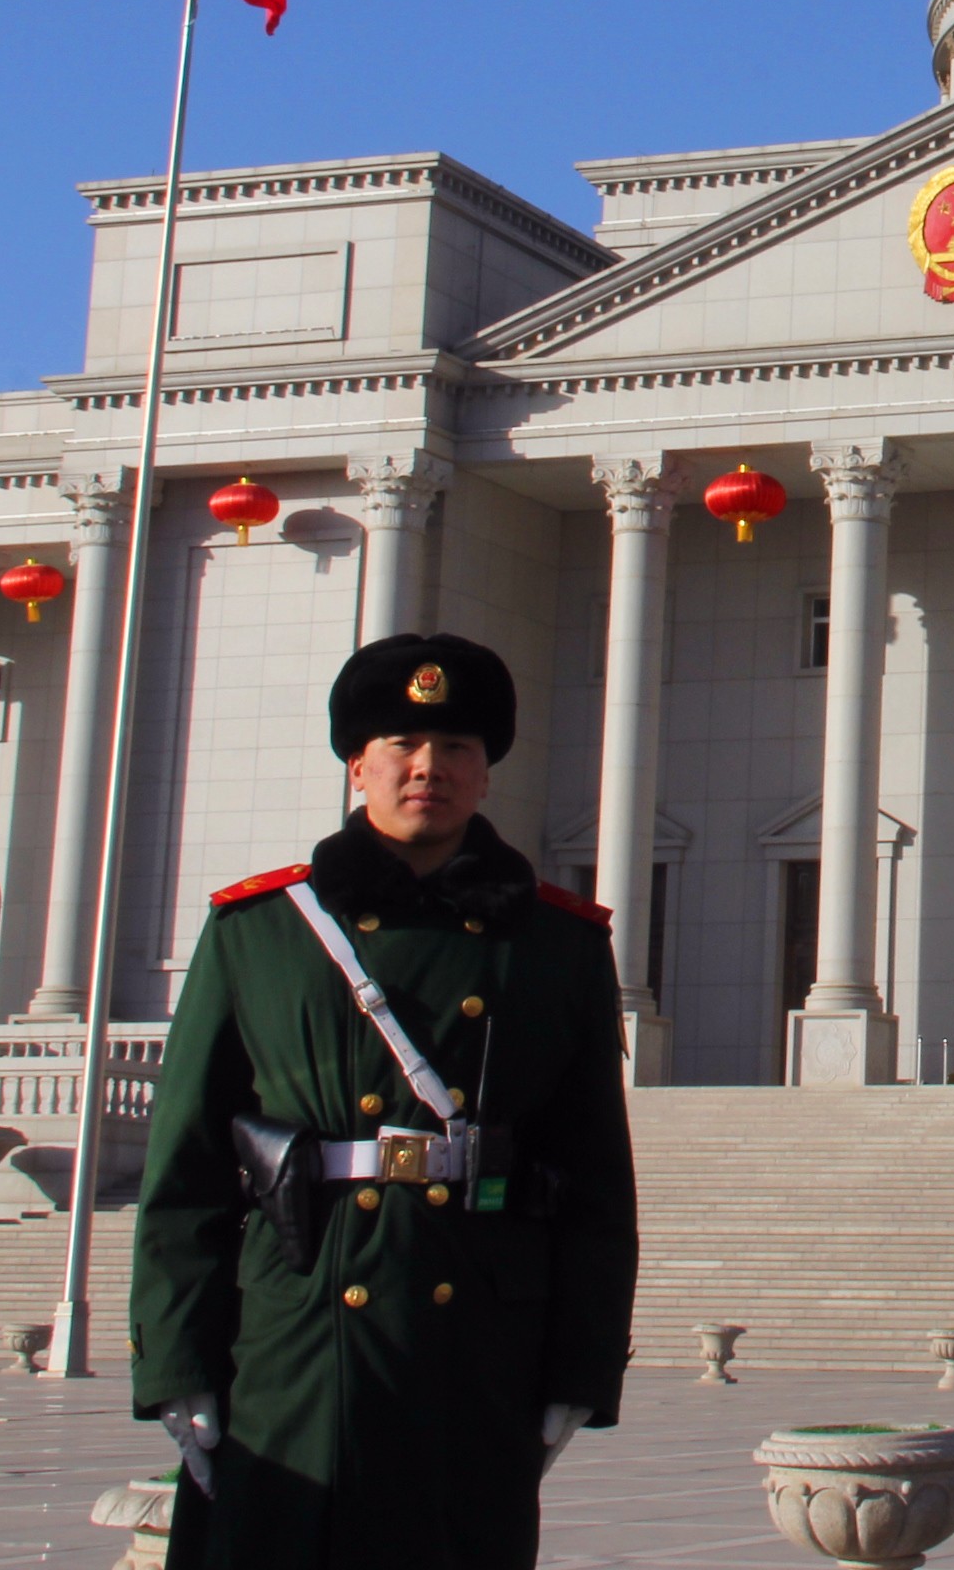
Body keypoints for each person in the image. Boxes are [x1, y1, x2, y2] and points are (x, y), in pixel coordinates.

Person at [130, 631, 638, 1570]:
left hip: (474, 1337)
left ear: (485, 772)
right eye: (402, 744)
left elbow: (595, 1180)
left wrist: (582, 1364)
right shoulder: (264, 931)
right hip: (294, 1329)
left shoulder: (557, 945)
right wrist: (177, 1359)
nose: (428, 768)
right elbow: (186, 1169)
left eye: (455, 747)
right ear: (357, 765)